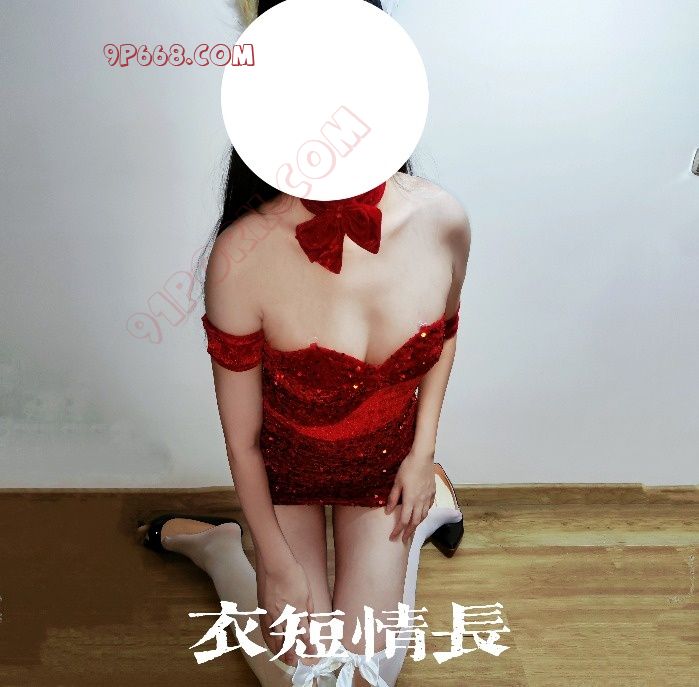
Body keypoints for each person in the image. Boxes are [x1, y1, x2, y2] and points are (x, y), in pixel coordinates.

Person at [138, 2, 471, 685]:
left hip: (384, 471)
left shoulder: (443, 219)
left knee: (368, 674)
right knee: (306, 674)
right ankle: (224, 548)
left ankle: (427, 498)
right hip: (286, 476)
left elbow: (445, 336)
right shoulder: (240, 257)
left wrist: (420, 455)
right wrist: (275, 558)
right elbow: (244, 440)